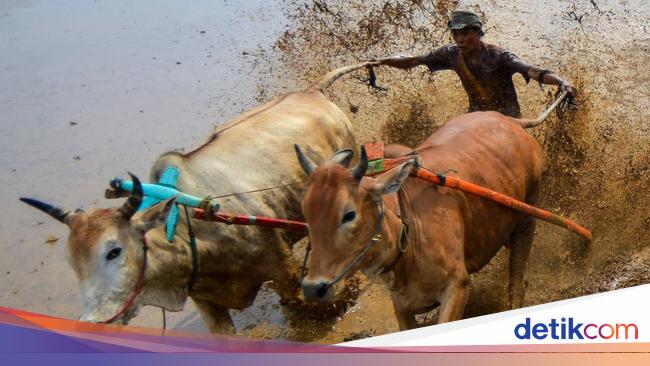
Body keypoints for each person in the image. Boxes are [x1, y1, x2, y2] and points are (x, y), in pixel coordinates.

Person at [370, 10, 576, 118]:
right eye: (455, 34)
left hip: (508, 120)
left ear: (478, 33)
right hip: (475, 119)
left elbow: (532, 70)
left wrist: (561, 82)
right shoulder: (450, 54)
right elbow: (415, 60)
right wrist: (383, 61)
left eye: (465, 33)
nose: (459, 39)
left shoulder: (499, 56)